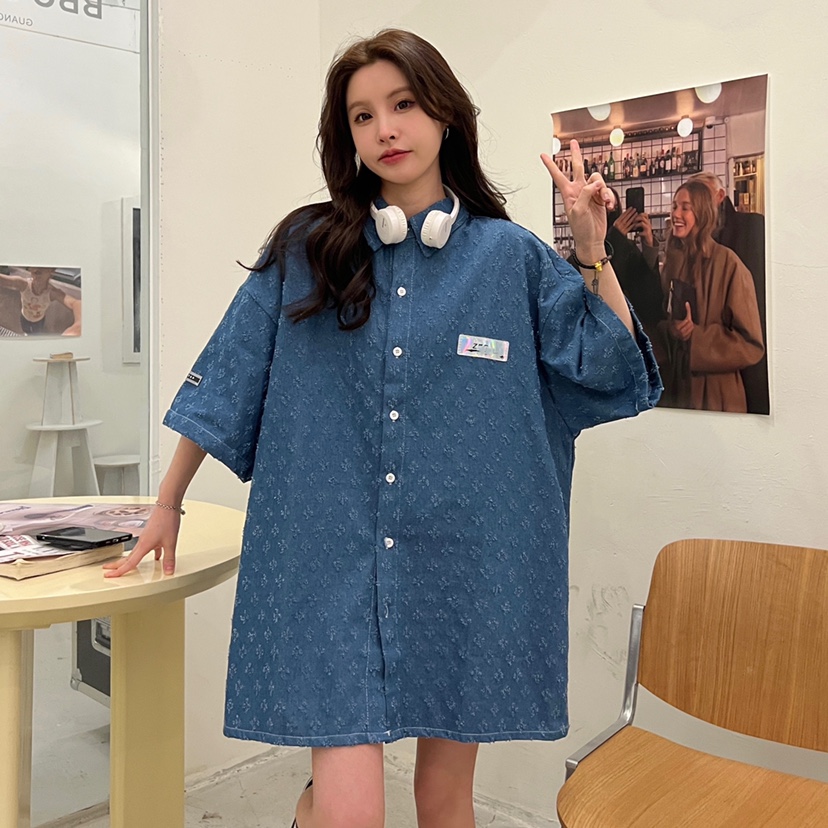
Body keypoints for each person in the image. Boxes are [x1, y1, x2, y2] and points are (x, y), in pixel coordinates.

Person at [103, 29, 661, 828]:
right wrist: (168, 502)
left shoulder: (509, 258)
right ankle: (314, 807)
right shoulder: (308, 250)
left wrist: (593, 251)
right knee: (351, 812)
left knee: (444, 799)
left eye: (403, 105)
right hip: (327, 559)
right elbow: (229, 371)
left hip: (465, 566)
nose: (385, 129)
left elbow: (610, 370)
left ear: (445, 115)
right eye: (363, 116)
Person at [656, 180, 763, 412]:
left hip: (717, 398)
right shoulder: (674, 262)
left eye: (685, 208)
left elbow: (750, 344)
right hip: (678, 393)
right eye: (674, 206)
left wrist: (697, 337)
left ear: (703, 214)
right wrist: (672, 330)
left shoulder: (729, 264)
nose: (676, 214)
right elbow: (665, 318)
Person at [687, 170, 769, 413]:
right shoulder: (692, 241)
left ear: (720, 196)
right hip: (710, 366)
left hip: (745, 350)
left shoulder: (753, 227)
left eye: (701, 195)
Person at [0, 266, 80, 336]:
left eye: (41, 268)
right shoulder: (23, 284)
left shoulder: (52, 292)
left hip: (38, 321)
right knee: (25, 329)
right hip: (24, 317)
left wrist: (78, 325)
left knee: (36, 333)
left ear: (51, 271)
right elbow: (4, 280)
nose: (36, 269)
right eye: (34, 268)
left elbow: (75, 302)